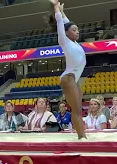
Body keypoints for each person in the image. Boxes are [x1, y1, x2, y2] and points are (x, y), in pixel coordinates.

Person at [49, 0, 86, 139]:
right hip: (69, 77)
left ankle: (82, 135)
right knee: (76, 109)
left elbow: (66, 22)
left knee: (79, 109)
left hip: (74, 78)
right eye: (74, 30)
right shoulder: (64, 40)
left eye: (78, 29)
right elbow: (60, 23)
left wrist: (63, 11)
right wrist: (56, 7)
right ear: (66, 33)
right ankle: (81, 137)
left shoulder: (74, 42)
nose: (77, 32)